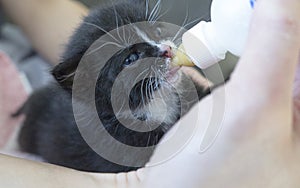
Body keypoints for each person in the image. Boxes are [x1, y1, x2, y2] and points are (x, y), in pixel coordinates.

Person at [0, 0, 300, 187]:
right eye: (132, 59)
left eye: (156, 34)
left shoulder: (181, 90)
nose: (166, 49)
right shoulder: (113, 150)